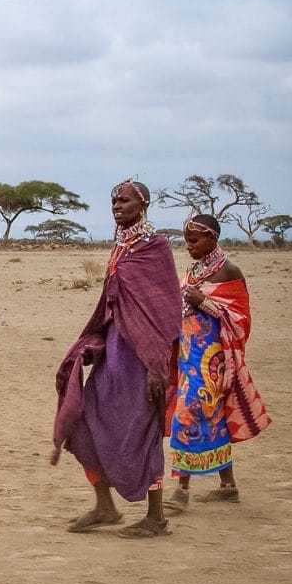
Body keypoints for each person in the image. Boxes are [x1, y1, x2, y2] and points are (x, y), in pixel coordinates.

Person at [51, 179, 182, 538]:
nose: (117, 206)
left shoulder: (154, 248)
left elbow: (164, 312)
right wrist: (94, 343)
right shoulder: (121, 248)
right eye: (113, 200)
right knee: (81, 417)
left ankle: (156, 518)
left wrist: (158, 365)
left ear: (143, 206)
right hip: (114, 354)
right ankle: (105, 506)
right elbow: (112, 305)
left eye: (124, 201)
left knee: (142, 431)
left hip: (142, 360)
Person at [165, 214, 270, 513]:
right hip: (188, 359)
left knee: (185, 416)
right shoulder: (193, 270)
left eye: (194, 240)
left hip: (214, 362)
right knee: (215, 420)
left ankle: (181, 491)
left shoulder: (229, 272)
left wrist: (203, 303)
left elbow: (240, 320)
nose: (189, 246)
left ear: (213, 239)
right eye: (186, 240)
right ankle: (228, 486)